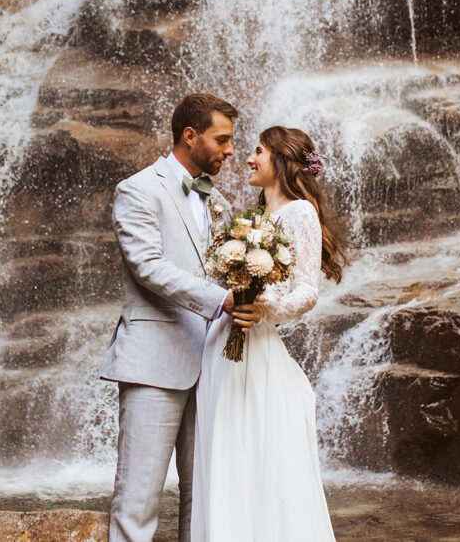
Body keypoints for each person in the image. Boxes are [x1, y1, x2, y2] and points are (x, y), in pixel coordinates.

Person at [100, 93, 262, 542]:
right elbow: (148, 267)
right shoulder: (137, 189)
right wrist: (223, 300)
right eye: (222, 140)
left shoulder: (220, 203)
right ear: (190, 136)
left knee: (205, 500)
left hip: (212, 369)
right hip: (154, 363)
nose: (231, 150)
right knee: (138, 501)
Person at [191, 125, 349, 542]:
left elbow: (307, 291)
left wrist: (263, 312)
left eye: (258, 151)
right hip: (223, 343)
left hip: (254, 346)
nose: (247, 158)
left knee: (255, 453)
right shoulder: (254, 218)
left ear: (280, 160)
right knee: (226, 453)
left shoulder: (300, 212)